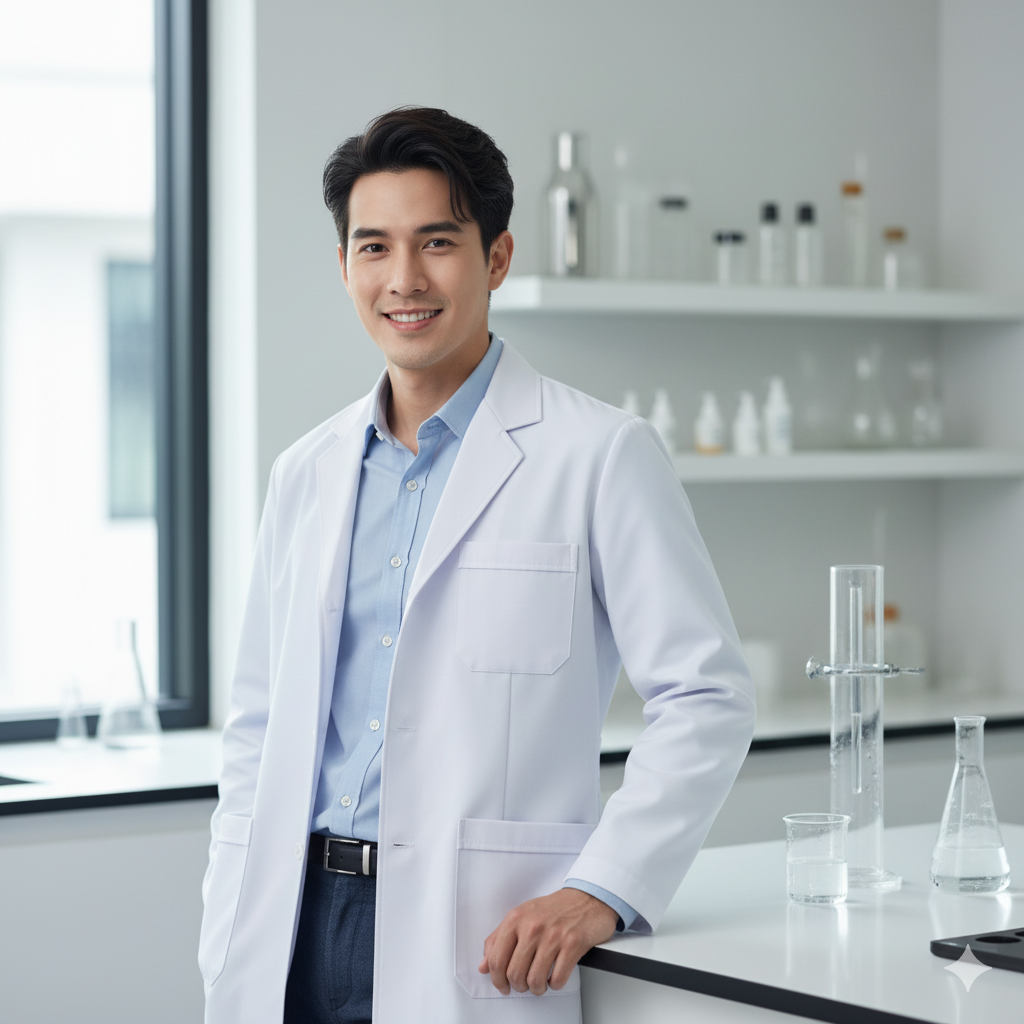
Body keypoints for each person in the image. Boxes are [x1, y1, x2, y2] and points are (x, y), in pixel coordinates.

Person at [199, 106, 756, 1024]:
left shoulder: (599, 454)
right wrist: (226, 920)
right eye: (373, 247)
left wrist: (603, 888)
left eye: (437, 243)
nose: (404, 279)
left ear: (496, 259)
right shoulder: (306, 473)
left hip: (471, 942)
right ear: (344, 267)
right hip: (287, 926)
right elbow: (258, 726)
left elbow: (707, 695)